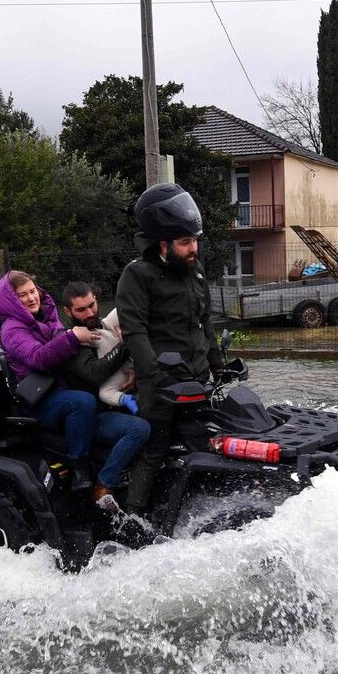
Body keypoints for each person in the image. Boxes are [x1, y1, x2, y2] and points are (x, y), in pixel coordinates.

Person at [115, 183, 223, 517]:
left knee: (204, 443)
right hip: (160, 386)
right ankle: (133, 520)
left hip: (197, 380)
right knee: (155, 449)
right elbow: (135, 330)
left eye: (196, 240)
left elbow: (204, 323)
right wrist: (156, 376)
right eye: (186, 242)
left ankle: (197, 509)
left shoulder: (195, 272)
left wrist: (220, 363)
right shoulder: (138, 275)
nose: (194, 249)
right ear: (163, 244)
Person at [0, 269, 100, 495]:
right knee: (83, 402)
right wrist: (73, 337)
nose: (31, 298)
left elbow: (61, 340)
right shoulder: (12, 329)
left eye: (32, 291)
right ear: (11, 301)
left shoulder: (45, 317)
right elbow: (38, 357)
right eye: (23, 295)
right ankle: (80, 469)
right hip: (38, 400)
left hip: (57, 388)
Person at [59, 282, 151, 508]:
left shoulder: (106, 325)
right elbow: (95, 373)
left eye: (92, 305)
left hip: (116, 402)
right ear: (68, 312)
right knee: (140, 429)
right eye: (81, 310)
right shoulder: (71, 340)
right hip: (95, 417)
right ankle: (103, 485)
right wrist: (128, 341)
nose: (89, 313)